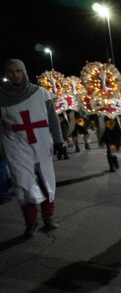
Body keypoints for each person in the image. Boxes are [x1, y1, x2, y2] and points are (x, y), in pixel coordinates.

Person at [0, 59, 63, 238]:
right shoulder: (1, 97)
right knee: (23, 184)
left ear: (24, 72)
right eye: (11, 72)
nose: (15, 75)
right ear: (7, 74)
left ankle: (48, 217)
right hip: (15, 145)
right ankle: (31, 222)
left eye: (18, 71)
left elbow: (52, 119)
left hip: (40, 143)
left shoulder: (40, 93)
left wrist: (58, 141)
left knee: (46, 182)